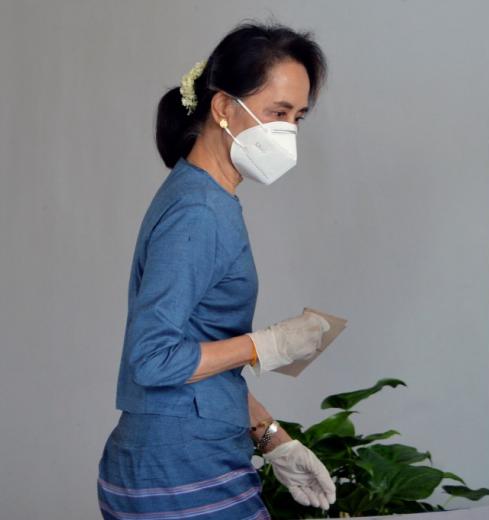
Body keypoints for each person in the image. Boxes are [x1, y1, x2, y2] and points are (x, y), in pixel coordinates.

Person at [96, 21, 335, 519]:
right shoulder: (200, 212)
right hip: (180, 470)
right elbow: (153, 358)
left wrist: (272, 438)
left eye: (297, 117)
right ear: (224, 107)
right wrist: (263, 345)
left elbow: (197, 351)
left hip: (178, 460)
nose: (287, 131)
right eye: (277, 112)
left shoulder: (204, 199)